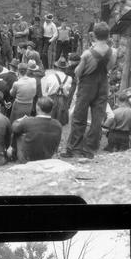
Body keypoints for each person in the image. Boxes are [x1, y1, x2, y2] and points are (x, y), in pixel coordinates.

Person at [62, 21, 117, 159]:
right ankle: (89, 150)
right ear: (108, 35)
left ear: (93, 35)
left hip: (87, 86)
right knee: (97, 118)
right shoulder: (113, 52)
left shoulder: (87, 54)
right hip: (103, 84)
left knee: (79, 116)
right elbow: (109, 68)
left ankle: (73, 148)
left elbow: (78, 72)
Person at [41, 56, 72, 125]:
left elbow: (46, 91)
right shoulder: (69, 78)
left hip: (52, 100)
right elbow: (67, 93)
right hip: (63, 100)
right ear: (65, 68)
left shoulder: (50, 77)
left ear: (57, 67)